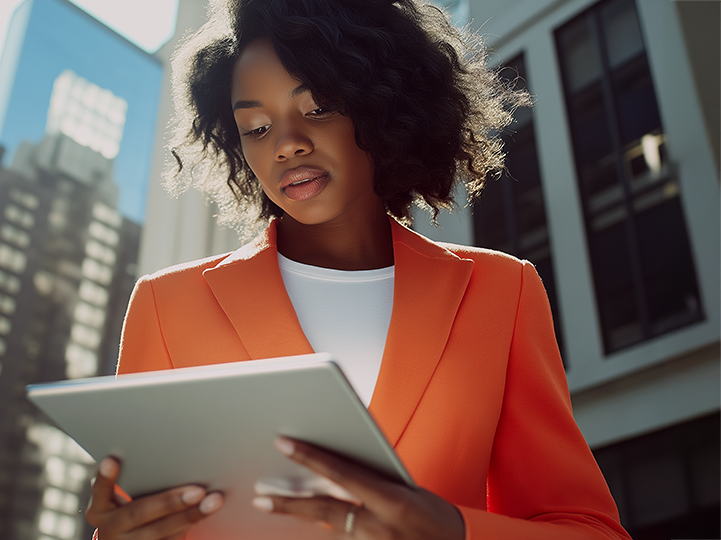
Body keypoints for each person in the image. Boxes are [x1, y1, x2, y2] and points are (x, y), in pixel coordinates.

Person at [85, 0, 632, 538]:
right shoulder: (166, 306)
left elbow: (590, 528)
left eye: (318, 107)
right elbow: (142, 520)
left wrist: (453, 530)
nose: (286, 145)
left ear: (382, 104)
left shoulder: (501, 291)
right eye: (254, 126)